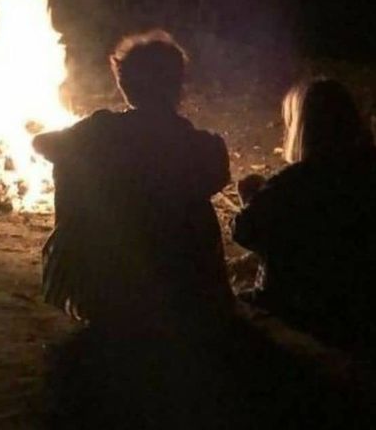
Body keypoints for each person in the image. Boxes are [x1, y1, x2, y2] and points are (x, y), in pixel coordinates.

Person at [33, 30, 233, 333]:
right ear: (178, 85)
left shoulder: (100, 131)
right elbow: (218, 174)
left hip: (108, 292)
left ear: (124, 84)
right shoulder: (202, 146)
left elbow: (42, 144)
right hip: (187, 292)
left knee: (74, 167)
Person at [232, 78, 376, 344]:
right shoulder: (373, 163)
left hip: (318, 302)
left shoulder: (298, 179)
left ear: (302, 128)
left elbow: (243, 230)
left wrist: (253, 197)